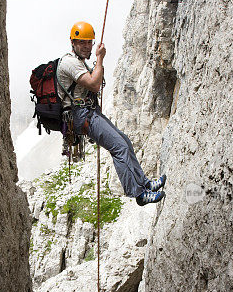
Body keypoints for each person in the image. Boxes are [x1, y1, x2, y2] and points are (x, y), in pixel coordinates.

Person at [56, 21, 166, 205]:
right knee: (119, 148)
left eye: (89, 42)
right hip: (81, 116)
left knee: (125, 142)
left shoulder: (79, 62)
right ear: (73, 43)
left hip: (88, 113)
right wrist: (99, 59)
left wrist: (97, 62)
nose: (86, 46)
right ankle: (138, 194)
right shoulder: (69, 63)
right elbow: (94, 84)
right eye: (81, 42)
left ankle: (144, 183)